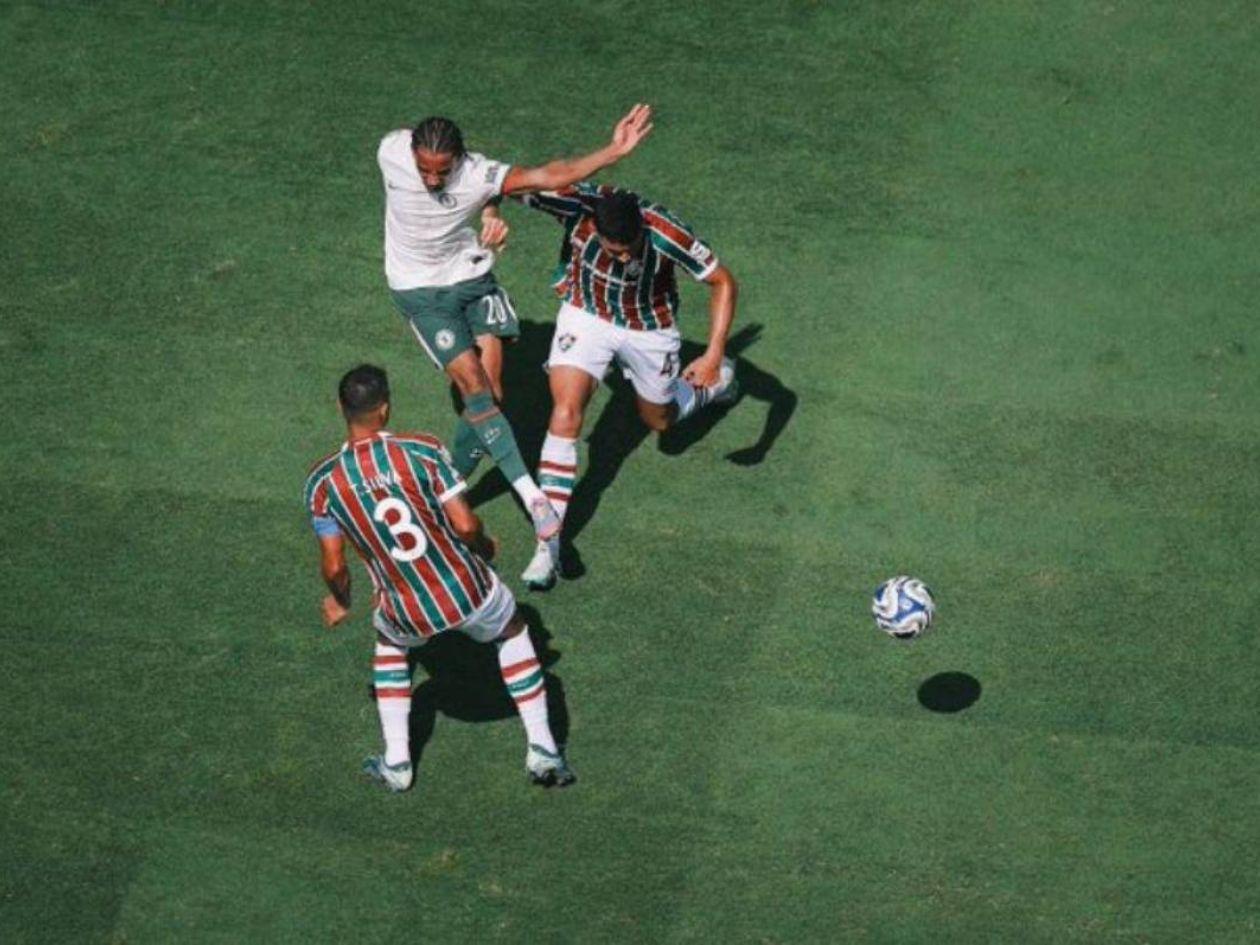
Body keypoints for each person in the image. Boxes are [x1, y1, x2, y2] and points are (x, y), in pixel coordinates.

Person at [377, 105, 654, 573]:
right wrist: (488, 206)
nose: (432, 179)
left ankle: (442, 493)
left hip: (471, 276)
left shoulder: (478, 172)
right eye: (424, 170)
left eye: (443, 171)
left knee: (492, 398)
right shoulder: (390, 149)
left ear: (460, 159)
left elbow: (549, 175)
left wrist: (612, 152)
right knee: (477, 390)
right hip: (420, 292)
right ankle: (533, 498)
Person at [303, 364, 575, 792]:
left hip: (404, 608)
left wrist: (340, 601)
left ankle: (397, 763)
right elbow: (465, 525)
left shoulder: (322, 484)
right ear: (385, 409)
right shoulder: (423, 450)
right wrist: (484, 548)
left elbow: (334, 565)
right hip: (467, 591)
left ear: (340, 407)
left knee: (391, 645)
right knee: (512, 629)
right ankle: (542, 749)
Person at [514, 185, 740, 588]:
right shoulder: (576, 206)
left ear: (641, 228)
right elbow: (510, 182)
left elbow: (723, 282)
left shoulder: (666, 233)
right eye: (612, 251)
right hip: (586, 314)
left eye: (628, 250)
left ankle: (718, 381)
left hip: (648, 328)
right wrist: (490, 211)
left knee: (660, 422)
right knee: (565, 413)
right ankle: (548, 546)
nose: (622, 259)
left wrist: (712, 354)